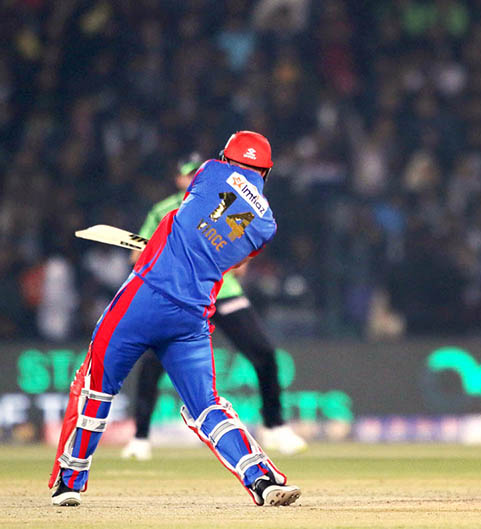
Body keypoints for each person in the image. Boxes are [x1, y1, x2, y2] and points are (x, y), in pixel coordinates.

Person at [49, 131, 301, 507]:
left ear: (227, 157)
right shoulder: (266, 226)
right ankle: (262, 480)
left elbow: (188, 209)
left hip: (144, 299)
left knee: (95, 386)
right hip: (192, 315)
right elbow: (231, 259)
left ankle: (68, 483)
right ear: (267, 171)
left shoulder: (211, 171)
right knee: (207, 406)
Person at [121, 153, 306, 462]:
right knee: (153, 364)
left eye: (197, 171)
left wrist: (233, 261)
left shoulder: (231, 202)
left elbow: (241, 262)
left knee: (264, 353)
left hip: (223, 291)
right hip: (183, 295)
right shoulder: (163, 210)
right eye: (187, 172)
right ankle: (140, 437)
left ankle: (275, 426)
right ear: (179, 179)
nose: (193, 176)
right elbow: (135, 257)